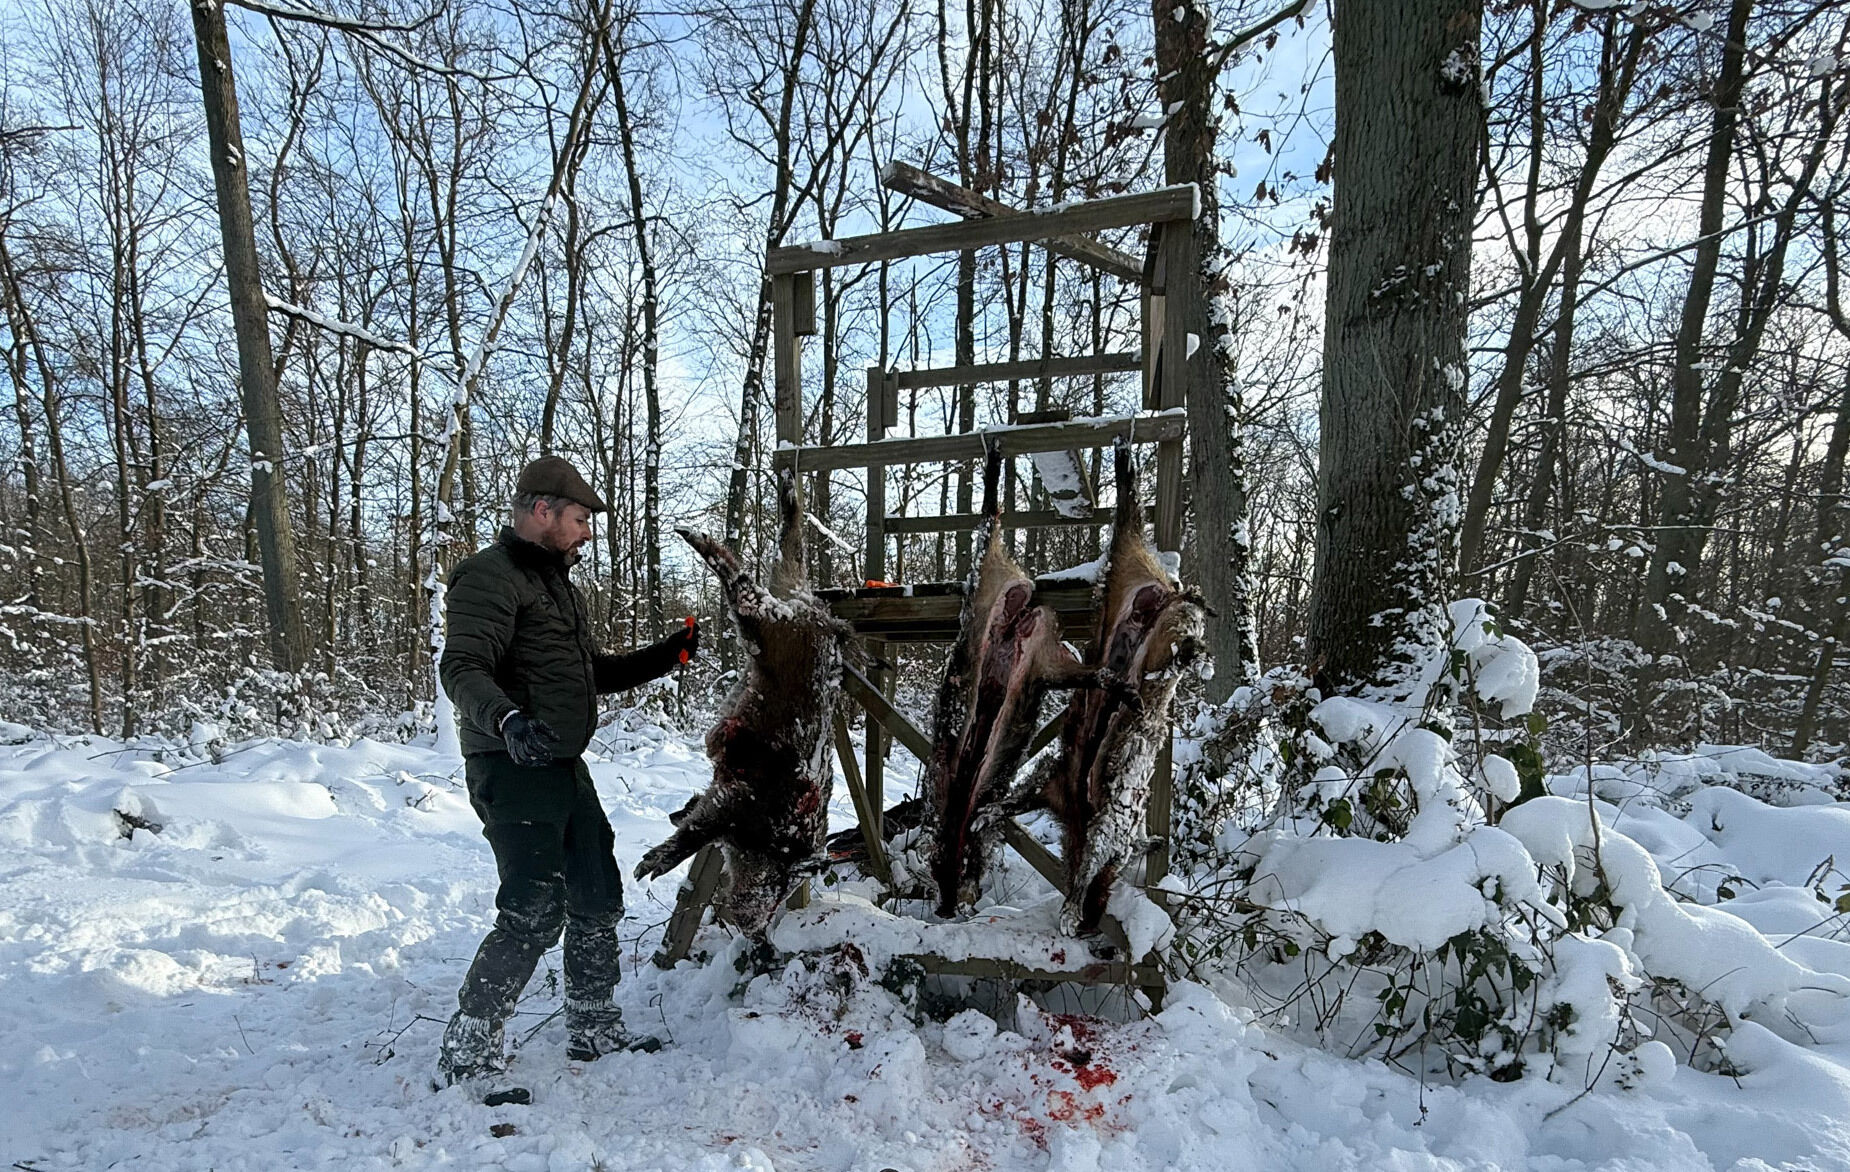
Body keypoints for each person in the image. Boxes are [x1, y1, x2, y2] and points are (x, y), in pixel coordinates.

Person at [435, 455, 698, 1094]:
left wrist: (664, 656)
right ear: (542, 511)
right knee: (533, 905)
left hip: (561, 764)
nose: (586, 532)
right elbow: (463, 667)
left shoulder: (555, 585)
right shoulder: (486, 578)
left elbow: (586, 674)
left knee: (597, 890)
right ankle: (468, 1048)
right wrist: (507, 722)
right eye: (580, 519)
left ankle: (593, 1022)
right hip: (510, 763)